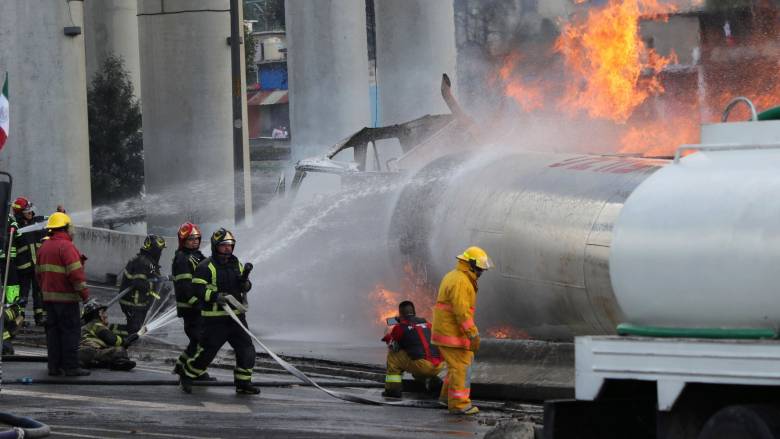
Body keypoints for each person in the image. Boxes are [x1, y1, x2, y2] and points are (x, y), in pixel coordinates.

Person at [179, 228, 259, 395]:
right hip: (215, 320)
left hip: (236, 318)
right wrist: (215, 296)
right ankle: (187, 375)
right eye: (224, 245)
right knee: (207, 354)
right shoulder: (205, 266)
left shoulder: (237, 263)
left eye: (230, 245)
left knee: (247, 350)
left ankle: (243, 383)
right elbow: (197, 289)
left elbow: (246, 285)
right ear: (216, 246)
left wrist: (246, 285)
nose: (228, 248)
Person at [432, 246, 493, 415]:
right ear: (470, 265)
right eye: (480, 268)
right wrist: (472, 332)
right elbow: (461, 311)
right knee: (461, 367)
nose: (481, 272)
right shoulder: (461, 281)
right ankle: (459, 404)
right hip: (451, 334)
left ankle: (446, 399)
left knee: (455, 367)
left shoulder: (457, 276)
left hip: (449, 332)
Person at [36, 212, 91, 376]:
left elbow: (38, 275)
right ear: (66, 228)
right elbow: (76, 275)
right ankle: (71, 367)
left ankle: (54, 367)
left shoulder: (44, 247)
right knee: (70, 332)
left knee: (53, 334)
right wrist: (85, 296)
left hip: (49, 300)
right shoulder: (66, 247)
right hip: (66, 300)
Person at [171, 222, 213, 380]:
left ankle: (181, 366)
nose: (195, 241)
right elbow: (185, 286)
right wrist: (197, 303)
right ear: (183, 240)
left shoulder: (197, 256)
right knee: (201, 340)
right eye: (190, 238)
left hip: (198, 306)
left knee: (196, 340)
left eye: (197, 238)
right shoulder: (182, 258)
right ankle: (194, 371)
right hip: (191, 308)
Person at [381, 300, 444, 399]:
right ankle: (434, 383)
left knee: (393, 356)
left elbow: (393, 345)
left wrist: (387, 336)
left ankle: (393, 390)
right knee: (416, 358)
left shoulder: (400, 327)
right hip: (439, 365)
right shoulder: (427, 323)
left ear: (400, 314)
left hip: (422, 365)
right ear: (414, 312)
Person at [114, 235, 166, 336]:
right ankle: (109, 330)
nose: (160, 253)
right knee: (135, 331)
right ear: (153, 249)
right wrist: (153, 291)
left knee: (137, 329)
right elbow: (139, 283)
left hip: (140, 303)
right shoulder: (142, 262)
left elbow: (153, 278)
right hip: (133, 303)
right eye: (159, 250)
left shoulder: (149, 262)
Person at [12, 197, 46, 325]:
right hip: (23, 268)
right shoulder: (15, 227)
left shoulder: (38, 221)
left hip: (37, 266)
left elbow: (54, 220)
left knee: (39, 292)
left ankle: (39, 316)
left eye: (31, 210)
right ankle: (20, 318)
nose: (31, 213)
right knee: (23, 294)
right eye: (27, 211)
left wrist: (61, 213)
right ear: (20, 213)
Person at [79, 299, 137, 371]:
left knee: (112, 350)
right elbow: (111, 339)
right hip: (89, 351)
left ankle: (94, 363)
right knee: (119, 349)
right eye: (104, 312)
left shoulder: (88, 326)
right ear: (98, 314)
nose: (106, 315)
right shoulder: (95, 324)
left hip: (89, 354)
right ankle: (119, 363)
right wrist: (124, 341)